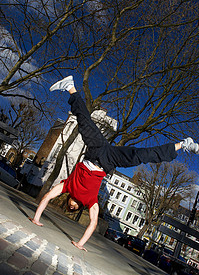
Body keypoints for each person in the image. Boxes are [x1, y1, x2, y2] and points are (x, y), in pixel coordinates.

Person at [30, 75, 199, 251]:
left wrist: (36, 218)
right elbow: (93, 223)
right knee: (140, 155)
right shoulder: (91, 202)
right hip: (109, 160)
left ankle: (70, 87)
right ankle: (183, 145)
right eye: (74, 209)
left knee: (84, 122)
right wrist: (80, 244)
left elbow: (48, 196)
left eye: (70, 206)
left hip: (94, 151)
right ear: (79, 206)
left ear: (68, 200)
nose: (72, 206)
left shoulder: (66, 187)